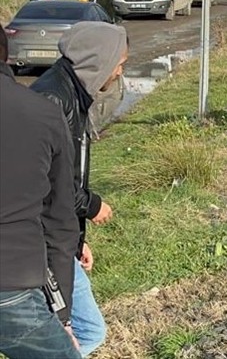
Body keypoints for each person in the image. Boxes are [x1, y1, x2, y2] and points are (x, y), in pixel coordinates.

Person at [30, 23, 127, 357]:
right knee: (73, 334)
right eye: (118, 63)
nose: (119, 71)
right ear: (98, 59)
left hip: (59, 238)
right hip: (42, 243)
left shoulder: (74, 93)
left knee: (87, 332)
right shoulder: (52, 99)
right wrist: (92, 204)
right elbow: (47, 184)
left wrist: (76, 240)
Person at [0, 32, 83, 359]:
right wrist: (62, 316)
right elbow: (59, 220)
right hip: (11, 280)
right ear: (6, 56)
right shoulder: (42, 113)